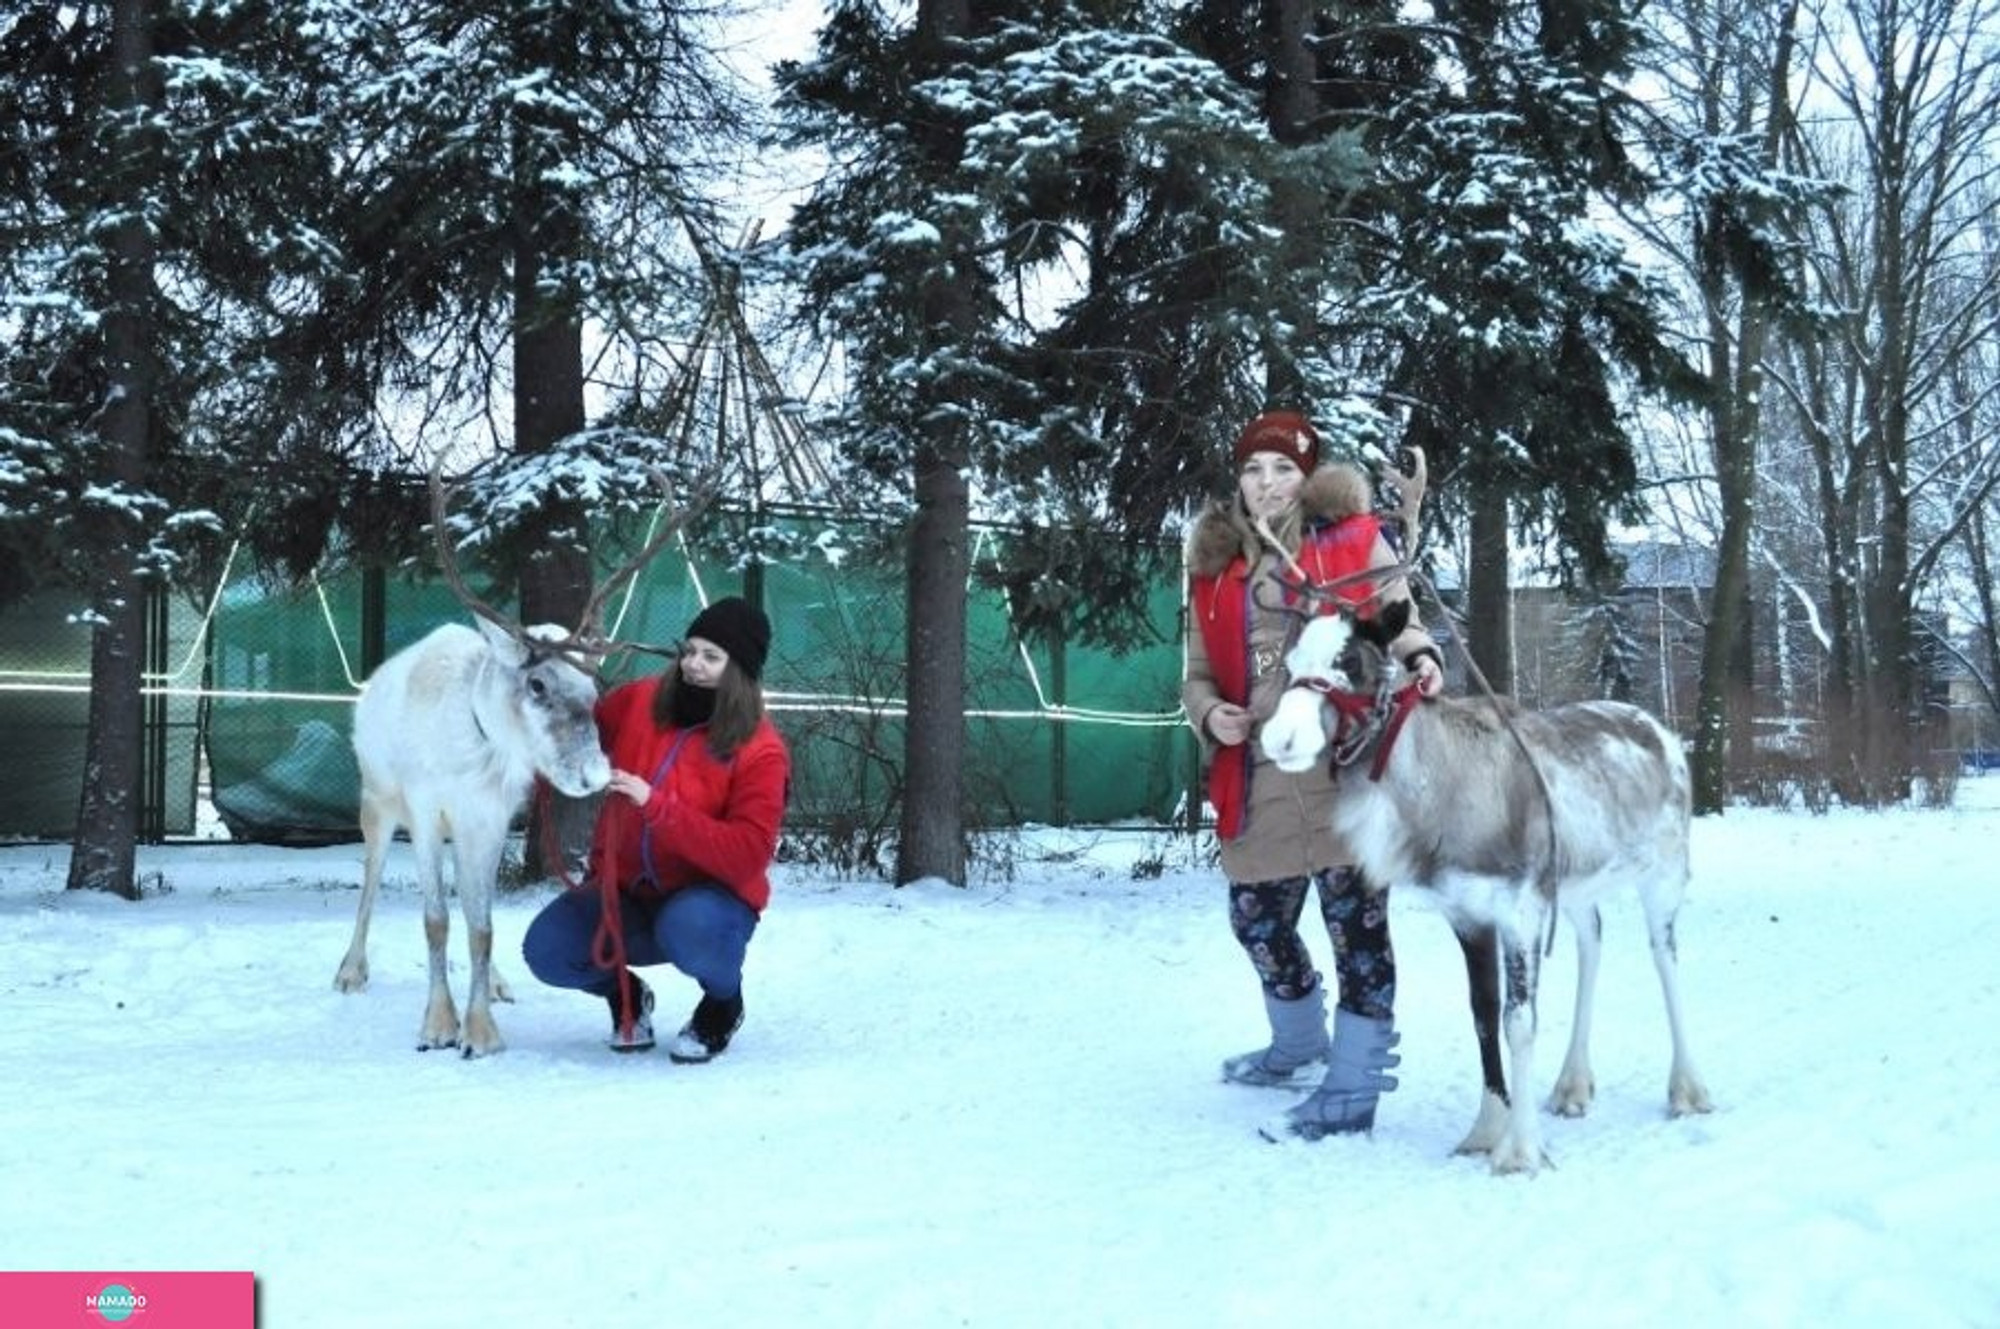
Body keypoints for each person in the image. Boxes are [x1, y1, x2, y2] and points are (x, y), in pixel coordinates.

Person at [1181, 409, 1444, 1139]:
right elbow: (1197, 673)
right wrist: (1210, 715)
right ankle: (1299, 1044)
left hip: (1343, 769)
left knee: (1355, 925)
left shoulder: (1347, 544)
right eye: (1253, 470)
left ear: (1307, 479)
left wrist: (1422, 656)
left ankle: (1354, 1089)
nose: (1267, 484)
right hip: (1260, 774)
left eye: (1283, 470)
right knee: (1256, 918)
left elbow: (1400, 615)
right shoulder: (1216, 567)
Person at [522, 595, 790, 1063]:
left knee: (690, 927)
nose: (693, 664)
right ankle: (626, 995)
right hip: (624, 894)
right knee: (547, 948)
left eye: (711, 657)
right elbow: (578, 737)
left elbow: (747, 854)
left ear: (740, 669)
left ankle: (723, 1004)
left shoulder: (760, 750)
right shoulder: (641, 700)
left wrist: (656, 806)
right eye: (690, 650)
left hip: (707, 908)